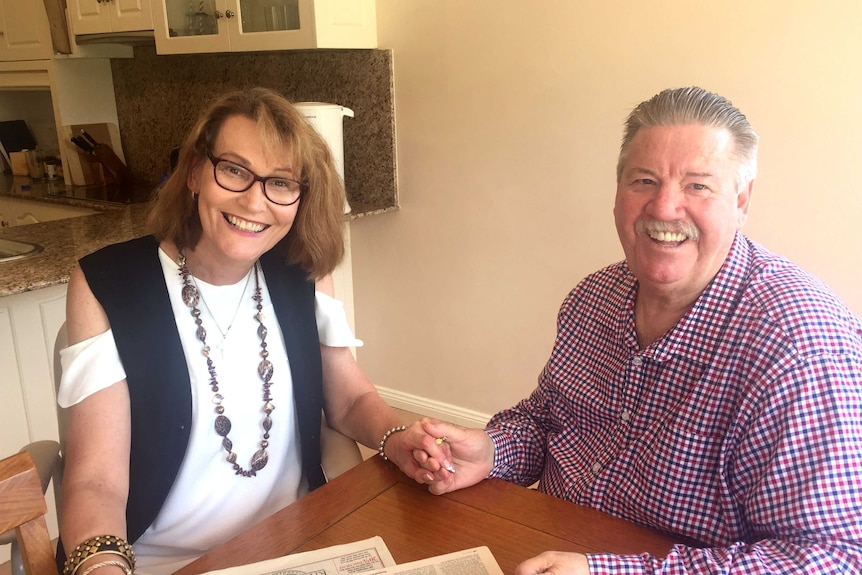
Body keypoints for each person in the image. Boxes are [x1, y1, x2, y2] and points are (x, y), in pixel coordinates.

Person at [404, 86, 862, 573]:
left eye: (698, 185)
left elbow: (832, 558)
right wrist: (492, 451)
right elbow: (547, 422)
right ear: (618, 189)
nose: (664, 208)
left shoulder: (799, 347)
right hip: (548, 543)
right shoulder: (593, 298)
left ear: (741, 200)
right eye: (644, 180)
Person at [56, 87, 429, 575]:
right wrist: (103, 567)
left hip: (304, 544)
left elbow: (350, 402)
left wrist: (399, 437)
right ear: (194, 172)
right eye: (234, 170)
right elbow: (95, 482)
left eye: (281, 183)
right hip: (166, 563)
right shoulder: (107, 284)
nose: (255, 201)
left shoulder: (303, 272)